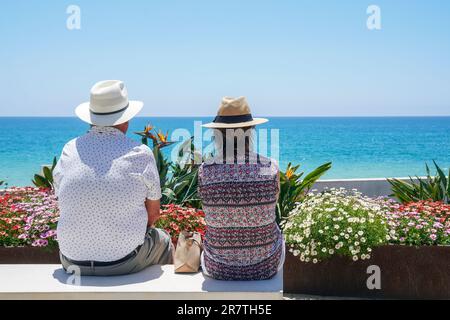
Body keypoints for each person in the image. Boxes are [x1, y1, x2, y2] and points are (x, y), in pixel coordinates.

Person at [53, 80, 173, 276]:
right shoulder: (140, 153)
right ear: (125, 120)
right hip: (124, 261)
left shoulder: (69, 149)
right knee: (163, 240)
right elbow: (153, 215)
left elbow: (62, 196)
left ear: (91, 118)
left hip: (71, 260)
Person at [198, 97, 285, 280]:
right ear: (250, 131)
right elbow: (270, 206)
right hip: (266, 265)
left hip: (218, 267)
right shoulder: (270, 167)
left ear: (217, 134)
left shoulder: (205, 171)